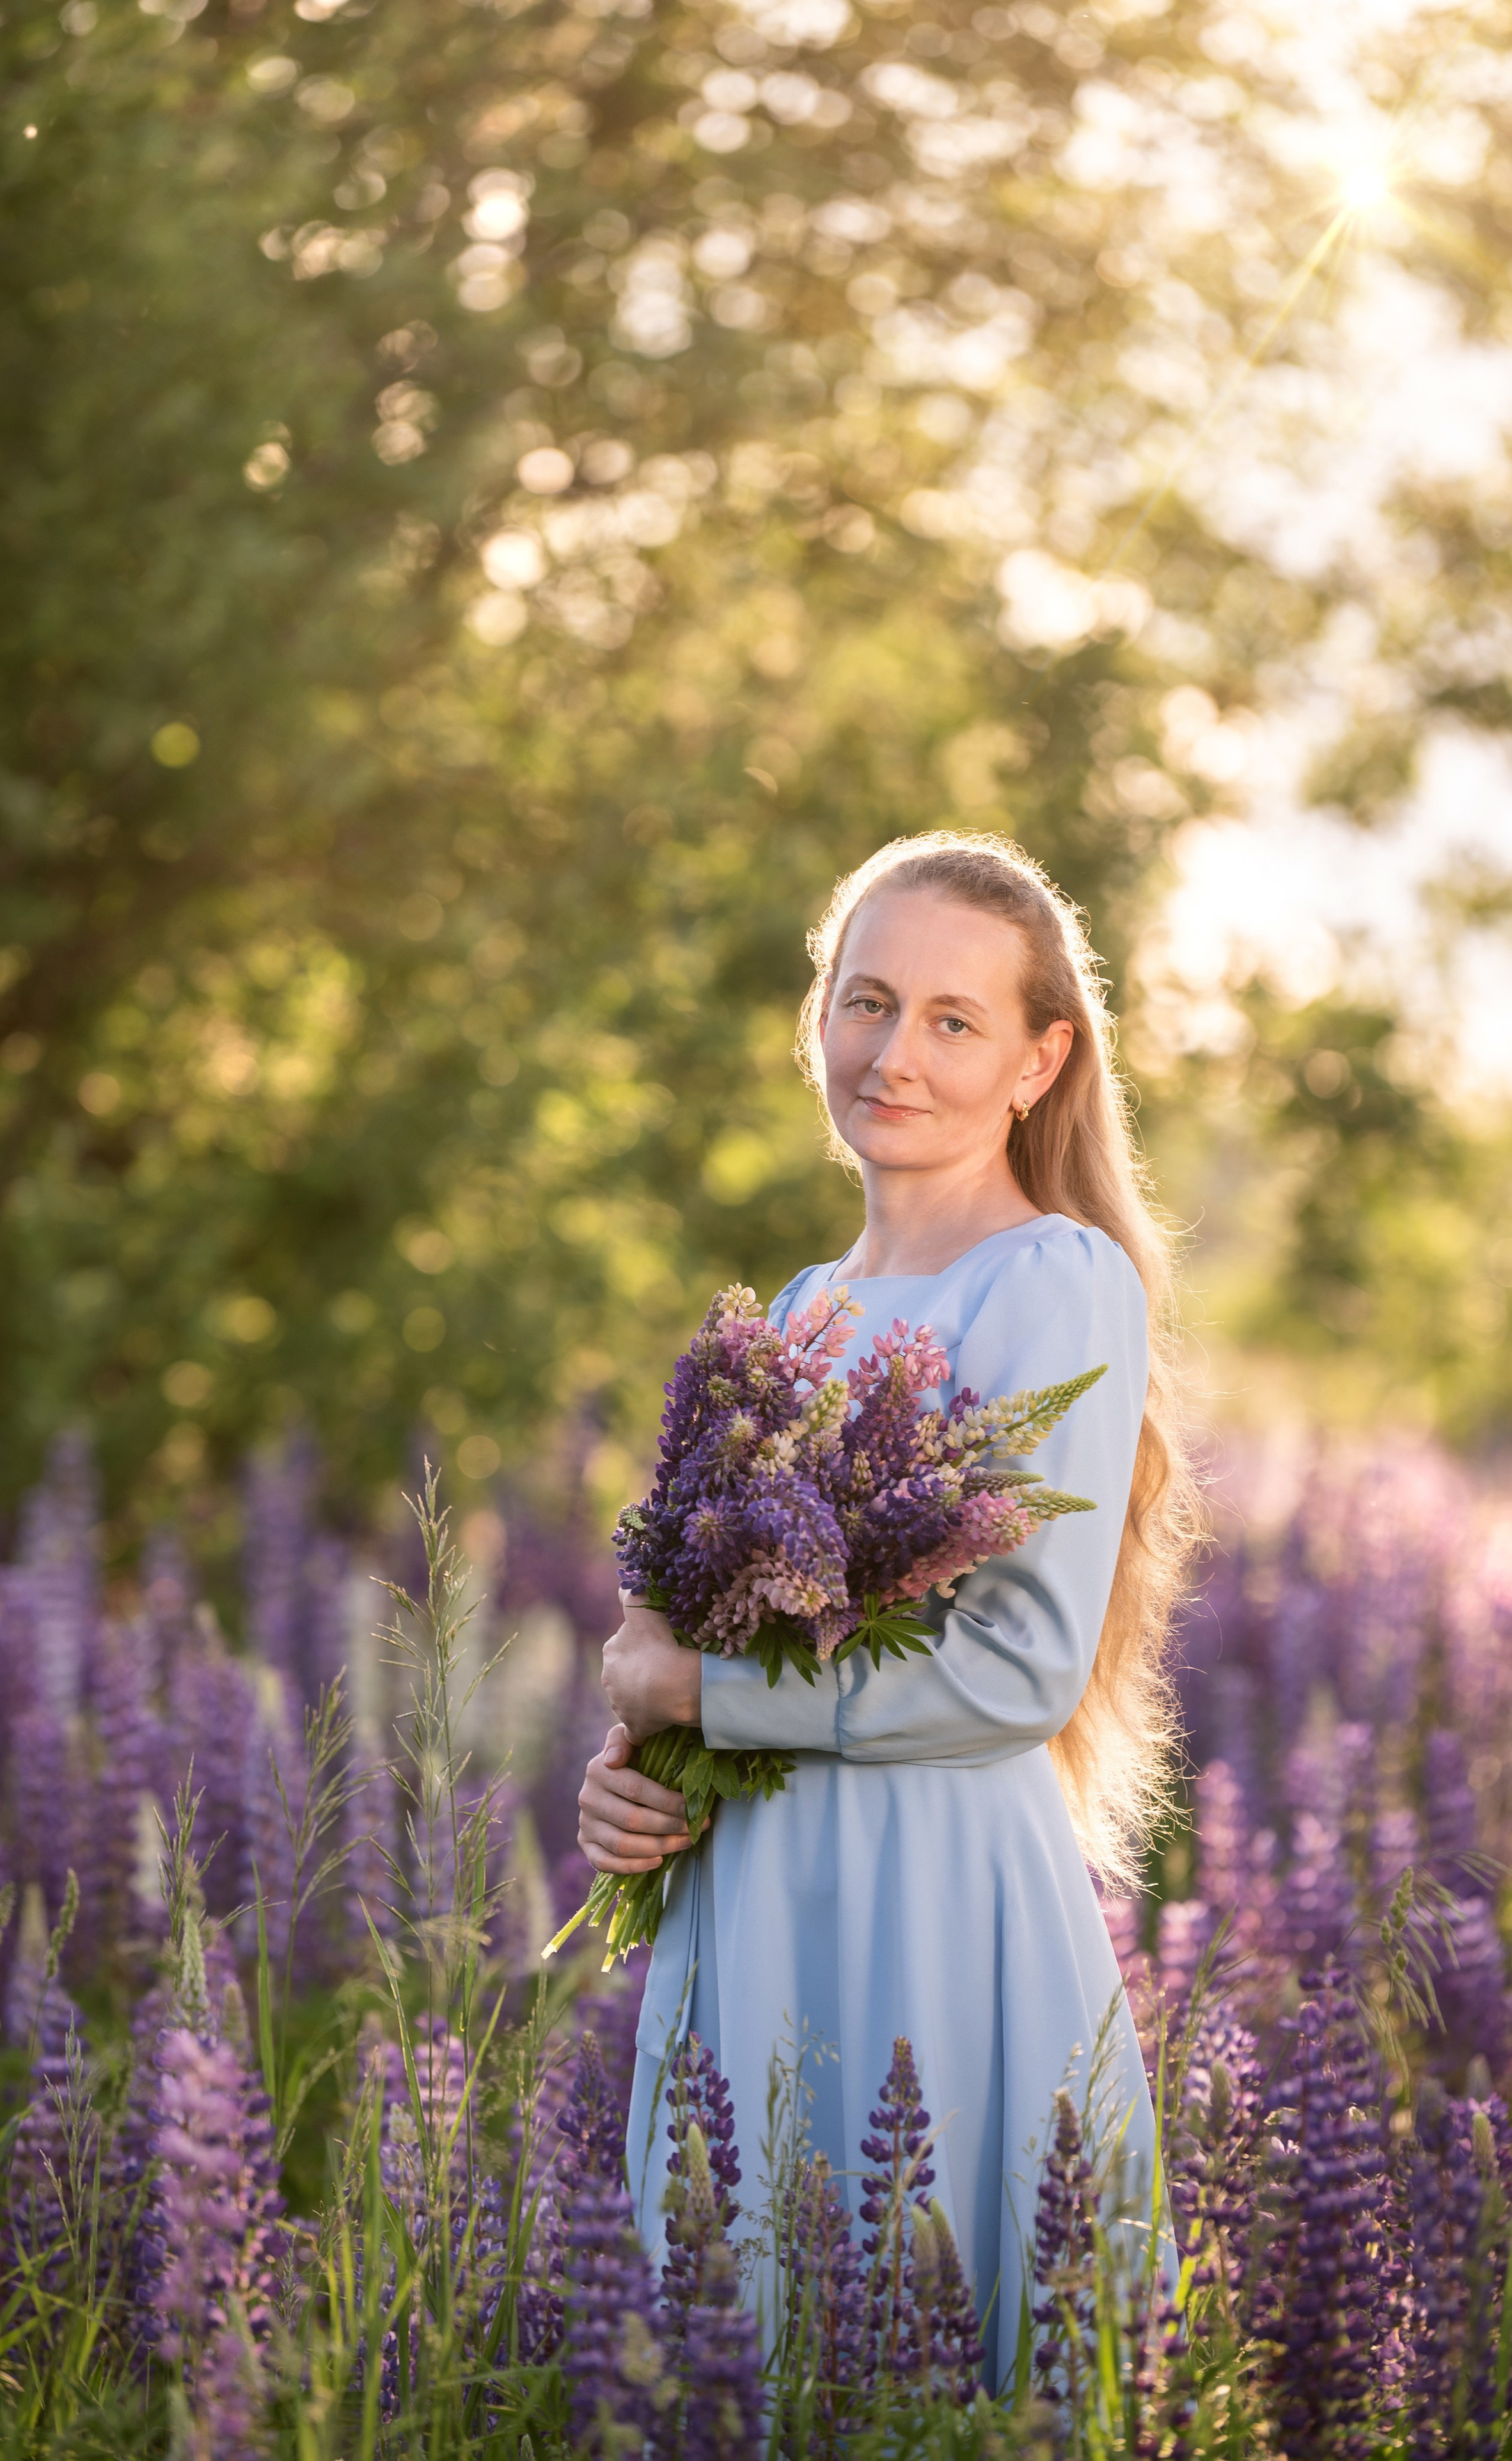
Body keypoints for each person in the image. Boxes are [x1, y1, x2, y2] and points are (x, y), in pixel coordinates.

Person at [575, 831, 1199, 2386]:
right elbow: (709, 1631)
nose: (893, 1053)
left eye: (950, 1019)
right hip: (751, 1891)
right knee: (751, 2337)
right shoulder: (800, 1305)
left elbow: (1018, 1668)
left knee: (928, 2326)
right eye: (866, 1002)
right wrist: (637, 1779)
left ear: (1037, 1061)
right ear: (818, 1021)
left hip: (929, 1891)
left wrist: (702, 1699)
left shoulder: (1051, 1277)